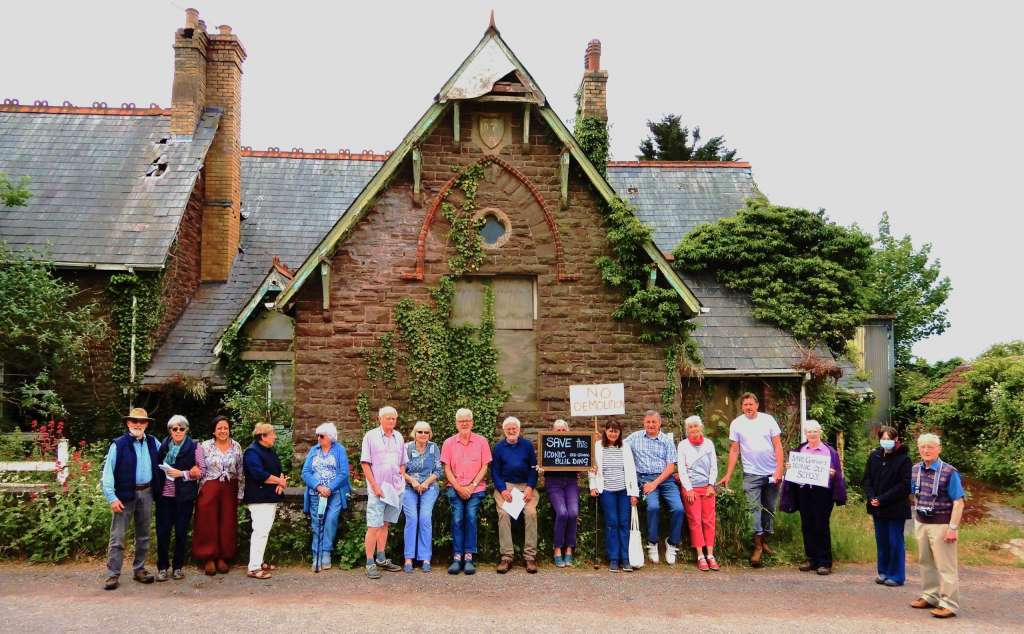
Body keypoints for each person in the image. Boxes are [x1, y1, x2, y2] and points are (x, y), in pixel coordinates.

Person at [717, 392, 784, 567]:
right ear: (742, 407)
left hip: (771, 473)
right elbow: (734, 450)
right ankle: (757, 547)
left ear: (757, 405)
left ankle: (765, 540)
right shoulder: (737, 424)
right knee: (753, 510)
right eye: (745, 405)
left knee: (769, 508)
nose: (748, 407)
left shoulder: (768, 420)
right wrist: (728, 475)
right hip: (751, 474)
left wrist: (779, 470)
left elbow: (778, 445)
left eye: (751, 404)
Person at [100, 407, 160, 590]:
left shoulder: (153, 442)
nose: (138, 424)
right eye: (134, 421)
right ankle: (113, 574)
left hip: (147, 492)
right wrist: (111, 497)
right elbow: (107, 473)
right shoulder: (118, 444)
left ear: (147, 424)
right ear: (128, 423)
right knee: (118, 536)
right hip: (124, 495)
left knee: (143, 535)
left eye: (142, 421)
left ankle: (139, 569)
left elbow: (169, 457)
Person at [779, 420, 847, 575]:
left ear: (820, 432)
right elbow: (794, 471)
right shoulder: (801, 450)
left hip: (822, 493)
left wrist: (833, 473)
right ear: (806, 434)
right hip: (804, 492)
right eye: (809, 432)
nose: (812, 434)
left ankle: (825, 562)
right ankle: (811, 559)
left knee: (821, 526)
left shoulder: (829, 451)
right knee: (807, 525)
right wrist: (790, 467)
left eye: (814, 431)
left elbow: (837, 473)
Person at [910, 433, 965, 619]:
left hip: (941, 524)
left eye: (931, 446)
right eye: (923, 446)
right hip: (921, 522)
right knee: (925, 563)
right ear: (919, 449)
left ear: (939, 449)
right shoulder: (915, 469)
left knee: (945, 566)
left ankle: (948, 604)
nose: (926, 450)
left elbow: (958, 502)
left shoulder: (950, 472)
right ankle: (930, 596)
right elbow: (915, 495)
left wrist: (953, 527)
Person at [625, 410, 684, 565]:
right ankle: (652, 542)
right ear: (644, 423)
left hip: (666, 479)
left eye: (654, 422)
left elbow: (671, 467)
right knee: (652, 507)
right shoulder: (634, 438)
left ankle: (672, 543)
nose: (650, 425)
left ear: (659, 424)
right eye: (648, 422)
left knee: (678, 509)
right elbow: (618, 445)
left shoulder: (666, 440)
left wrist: (655, 483)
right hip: (645, 478)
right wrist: (598, 441)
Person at [440, 407, 492, 575]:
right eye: (461, 421)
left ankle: (468, 557)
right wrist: (459, 487)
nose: (464, 423)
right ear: (456, 423)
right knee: (457, 518)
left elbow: (485, 466)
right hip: (455, 487)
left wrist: (471, 486)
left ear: (472, 422)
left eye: (467, 420)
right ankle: (457, 557)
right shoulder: (448, 443)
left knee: (470, 516)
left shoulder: (481, 441)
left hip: (476, 488)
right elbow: (446, 468)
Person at [192, 415, 244, 575]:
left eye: (226, 428)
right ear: (214, 431)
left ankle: (223, 556)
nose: (223, 431)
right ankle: (208, 557)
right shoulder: (204, 446)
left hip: (230, 487)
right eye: (219, 428)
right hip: (210, 486)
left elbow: (241, 471)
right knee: (207, 521)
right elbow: (198, 469)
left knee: (227, 521)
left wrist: (240, 492)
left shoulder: (236, 446)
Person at [360, 405, 407, 579]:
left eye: (394, 418)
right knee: (374, 525)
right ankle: (369, 562)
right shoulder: (370, 436)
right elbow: (365, 463)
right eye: (388, 418)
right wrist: (375, 487)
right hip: (377, 489)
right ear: (380, 419)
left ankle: (381, 557)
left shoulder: (399, 437)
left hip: (394, 489)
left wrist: (401, 478)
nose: (391, 421)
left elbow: (403, 461)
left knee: (385, 524)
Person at [153, 414, 201, 582]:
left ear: (187, 430)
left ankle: (178, 567)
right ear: (170, 430)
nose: (178, 431)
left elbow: (200, 471)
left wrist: (182, 474)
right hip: (164, 497)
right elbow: (156, 467)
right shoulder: (163, 446)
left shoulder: (195, 447)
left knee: (181, 533)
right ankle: (162, 568)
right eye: (175, 429)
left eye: (182, 428)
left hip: (184, 497)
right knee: (163, 533)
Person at [863, 425, 911, 587]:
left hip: (895, 507)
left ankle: (896, 575)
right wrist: (871, 497)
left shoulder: (904, 459)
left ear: (896, 439)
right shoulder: (874, 456)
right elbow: (867, 479)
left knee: (894, 541)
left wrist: (883, 499)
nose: (886, 442)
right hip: (877, 506)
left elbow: (904, 485)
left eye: (889, 439)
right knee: (881, 540)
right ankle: (883, 572)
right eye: (883, 439)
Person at [589, 419, 639, 572]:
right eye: (610, 430)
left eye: (616, 431)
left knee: (624, 523)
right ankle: (613, 558)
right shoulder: (598, 447)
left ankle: (625, 559)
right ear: (605, 431)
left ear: (620, 433)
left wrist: (634, 493)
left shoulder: (625, 447)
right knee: (612, 523)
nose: (613, 433)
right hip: (607, 490)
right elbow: (592, 468)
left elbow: (631, 471)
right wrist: (593, 486)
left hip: (624, 490)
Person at [491, 416, 539, 574]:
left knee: (531, 513)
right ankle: (506, 557)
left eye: (514, 428)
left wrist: (531, 487)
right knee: (504, 514)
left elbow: (533, 468)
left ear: (519, 430)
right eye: (508, 429)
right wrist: (503, 490)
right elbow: (495, 472)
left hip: (525, 486)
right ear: (504, 431)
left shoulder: (527, 446)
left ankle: (530, 557)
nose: (511, 431)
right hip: (506, 486)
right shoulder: (499, 448)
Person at [301, 422, 350, 572]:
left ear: (330, 437)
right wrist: (319, 487)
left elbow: (344, 473)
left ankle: (326, 552)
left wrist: (329, 487)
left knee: (330, 520)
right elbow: (306, 472)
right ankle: (317, 555)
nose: (318, 438)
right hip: (316, 493)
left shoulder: (339, 450)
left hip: (334, 493)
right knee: (317, 524)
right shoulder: (314, 450)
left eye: (321, 436)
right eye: (317, 435)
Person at [242, 422, 287, 580]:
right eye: (272, 433)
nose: (275, 436)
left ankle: (259, 562)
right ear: (263, 436)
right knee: (260, 532)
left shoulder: (269, 450)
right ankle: (253, 568)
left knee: (264, 531)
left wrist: (281, 482)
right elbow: (259, 474)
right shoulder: (252, 452)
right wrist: (278, 481)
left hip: (270, 496)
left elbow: (278, 469)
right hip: (259, 498)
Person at [676, 415, 720, 571]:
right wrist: (688, 488)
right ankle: (700, 555)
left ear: (701, 427)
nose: (693, 429)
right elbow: (681, 469)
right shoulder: (682, 445)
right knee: (695, 520)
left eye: (696, 426)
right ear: (687, 430)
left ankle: (710, 555)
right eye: (690, 427)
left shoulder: (708, 444)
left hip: (707, 489)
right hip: (691, 489)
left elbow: (713, 466)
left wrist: (711, 485)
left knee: (709, 520)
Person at [402, 420, 443, 573]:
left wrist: (425, 483)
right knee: (412, 518)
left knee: (425, 518)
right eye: (420, 431)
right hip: (408, 486)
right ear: (414, 433)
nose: (423, 434)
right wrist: (412, 481)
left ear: (430, 434)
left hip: (429, 486)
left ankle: (425, 557)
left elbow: (438, 471)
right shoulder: (406, 448)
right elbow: (400, 470)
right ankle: (408, 558)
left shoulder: (434, 448)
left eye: (426, 432)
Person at [544, 419, 580, 568]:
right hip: (553, 482)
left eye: (563, 430)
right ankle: (558, 548)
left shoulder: (574, 445)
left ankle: (569, 548)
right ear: (553, 432)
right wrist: (541, 467)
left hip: (571, 482)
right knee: (562, 513)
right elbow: (543, 463)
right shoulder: (547, 444)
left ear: (567, 431)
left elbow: (584, 460)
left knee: (573, 513)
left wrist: (589, 465)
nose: (560, 432)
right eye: (557, 430)